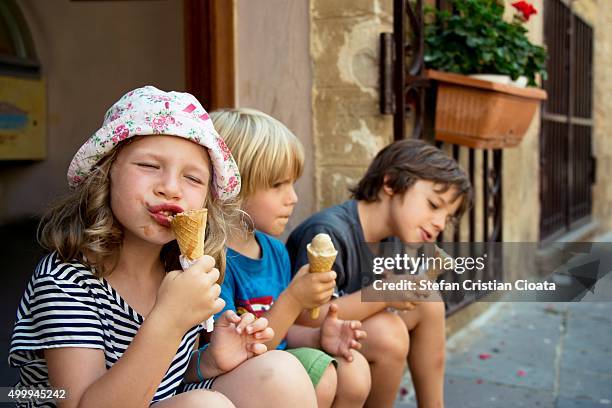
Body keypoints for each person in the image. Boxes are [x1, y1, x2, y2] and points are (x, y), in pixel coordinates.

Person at [9, 87, 317, 408]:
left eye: (193, 178)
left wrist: (209, 360)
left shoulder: (181, 268)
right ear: (105, 173)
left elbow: (163, 381)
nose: (170, 188)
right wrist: (169, 319)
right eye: (149, 166)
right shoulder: (66, 282)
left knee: (281, 372)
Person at [287, 139, 473, 408]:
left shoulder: (395, 238)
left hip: (348, 336)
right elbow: (304, 318)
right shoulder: (327, 233)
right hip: (299, 341)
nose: (440, 223)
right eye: (434, 205)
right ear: (391, 184)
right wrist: (383, 294)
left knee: (429, 301)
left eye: (448, 217)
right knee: (390, 334)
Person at [211, 108, 372, 408]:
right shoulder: (214, 263)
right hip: (239, 378)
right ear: (231, 186)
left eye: (293, 184)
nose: (293, 198)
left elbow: (282, 333)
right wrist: (294, 299)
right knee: (322, 380)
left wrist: (318, 337)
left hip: (276, 363)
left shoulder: (275, 250)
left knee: (355, 370)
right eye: (277, 185)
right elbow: (243, 351)